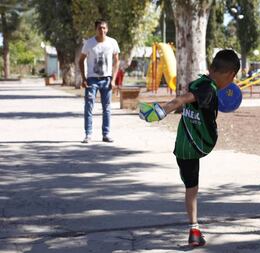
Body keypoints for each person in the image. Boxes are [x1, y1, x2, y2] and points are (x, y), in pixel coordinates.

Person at [139, 50, 240, 247]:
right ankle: (194, 230)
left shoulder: (201, 82)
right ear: (231, 75)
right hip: (199, 144)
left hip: (183, 147)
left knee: (191, 188)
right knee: (192, 189)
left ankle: (194, 229)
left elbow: (188, 98)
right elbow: (182, 100)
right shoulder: (208, 89)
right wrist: (162, 110)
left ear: (212, 68)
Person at [79, 19, 120, 143]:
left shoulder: (112, 42)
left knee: (107, 108)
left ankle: (106, 134)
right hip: (92, 80)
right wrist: (83, 78)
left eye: (104, 28)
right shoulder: (89, 43)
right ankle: (88, 134)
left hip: (106, 79)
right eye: (99, 28)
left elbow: (117, 61)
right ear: (95, 30)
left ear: (107, 29)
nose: (102, 30)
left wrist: (113, 79)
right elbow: (81, 60)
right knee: (89, 107)